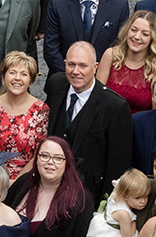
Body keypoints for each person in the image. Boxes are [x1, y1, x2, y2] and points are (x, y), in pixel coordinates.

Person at [48, 40, 132, 206]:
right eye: (71, 64)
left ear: (95, 67)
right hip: (50, 187)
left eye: (83, 66)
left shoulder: (114, 106)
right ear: (64, 64)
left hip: (88, 195)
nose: (76, 71)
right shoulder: (55, 84)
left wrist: (104, 205)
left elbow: (118, 164)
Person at [42, 0, 130, 91]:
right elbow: (51, 49)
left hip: (102, 86)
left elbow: (120, 49)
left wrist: (98, 80)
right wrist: (74, 77)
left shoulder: (119, 6)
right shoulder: (58, 3)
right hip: (63, 85)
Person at [0, 51, 49, 182]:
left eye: (24, 74)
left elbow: (39, 154)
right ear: (3, 78)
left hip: (26, 179)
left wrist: (16, 183)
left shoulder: (40, 110)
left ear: (31, 81)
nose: (17, 78)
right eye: (12, 72)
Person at [97, 10, 156, 113]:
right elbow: (97, 97)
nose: (137, 37)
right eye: (134, 30)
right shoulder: (110, 55)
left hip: (139, 127)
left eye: (145, 34)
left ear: (153, 38)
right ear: (127, 30)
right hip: (106, 124)